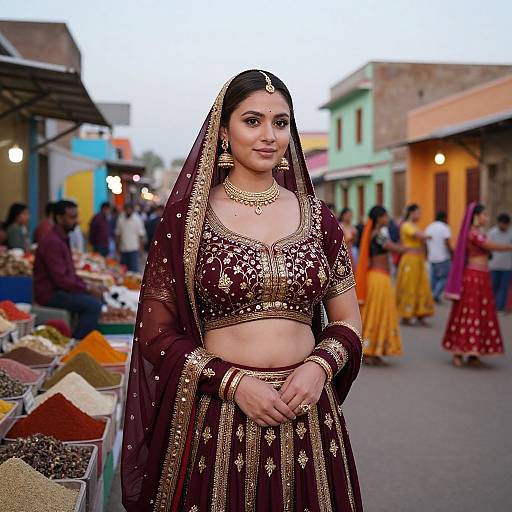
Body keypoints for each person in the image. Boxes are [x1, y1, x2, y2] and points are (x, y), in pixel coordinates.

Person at [121, 70, 363, 512]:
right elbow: (156, 336)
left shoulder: (319, 217)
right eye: (252, 121)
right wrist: (234, 384)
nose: (269, 135)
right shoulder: (184, 223)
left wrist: (319, 368)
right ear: (224, 129)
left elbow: (347, 318)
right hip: (220, 417)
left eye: (281, 122)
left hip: (307, 414)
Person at [442, 204, 511, 368]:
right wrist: (509, 246)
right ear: (475, 216)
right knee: (468, 314)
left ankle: (474, 354)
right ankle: (458, 351)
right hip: (472, 276)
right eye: (484, 214)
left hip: (483, 276)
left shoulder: (480, 233)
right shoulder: (472, 234)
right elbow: (489, 246)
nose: (486, 218)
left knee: (481, 313)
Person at [33, 200, 103, 339]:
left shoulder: (62, 239)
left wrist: (88, 286)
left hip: (60, 289)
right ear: (59, 218)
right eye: (72, 217)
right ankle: (76, 344)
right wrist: (87, 288)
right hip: (51, 294)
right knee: (93, 305)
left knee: (98, 296)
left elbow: (70, 274)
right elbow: (61, 280)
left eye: (76, 216)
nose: (76, 221)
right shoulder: (52, 242)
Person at [356, 206, 408, 366]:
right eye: (385, 216)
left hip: (381, 278)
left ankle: (376, 350)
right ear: (379, 218)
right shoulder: (378, 236)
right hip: (378, 279)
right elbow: (395, 248)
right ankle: (369, 350)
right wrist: (409, 247)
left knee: (381, 313)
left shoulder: (377, 234)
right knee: (376, 314)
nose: (388, 219)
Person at [395, 204, 434, 325]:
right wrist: (427, 236)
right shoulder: (406, 225)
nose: (420, 215)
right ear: (411, 213)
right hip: (410, 260)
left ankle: (420, 313)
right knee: (409, 286)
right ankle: (407, 315)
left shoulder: (415, 225)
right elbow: (417, 236)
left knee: (422, 285)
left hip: (418, 260)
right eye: (418, 213)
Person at [425, 211, 453, 303]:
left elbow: (425, 242)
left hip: (432, 256)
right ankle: (435, 295)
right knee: (445, 277)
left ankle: (431, 295)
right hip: (442, 257)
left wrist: (426, 254)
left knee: (433, 278)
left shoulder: (429, 227)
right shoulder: (444, 228)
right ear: (444, 218)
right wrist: (452, 253)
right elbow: (447, 242)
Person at [488, 213, 512, 312]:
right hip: (494, 265)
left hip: (508, 266)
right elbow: (488, 246)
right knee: (493, 287)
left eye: (506, 225)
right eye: (502, 224)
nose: (504, 226)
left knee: (504, 287)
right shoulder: (492, 232)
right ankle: (491, 306)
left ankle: (499, 307)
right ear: (498, 223)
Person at [115, 203, 145, 272]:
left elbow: (141, 235)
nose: (128, 211)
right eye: (127, 209)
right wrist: (117, 248)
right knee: (123, 271)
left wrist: (141, 250)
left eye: (130, 209)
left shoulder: (137, 219)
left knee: (133, 271)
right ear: (124, 210)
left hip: (134, 249)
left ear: (132, 210)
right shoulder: (121, 219)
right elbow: (118, 234)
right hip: (123, 249)